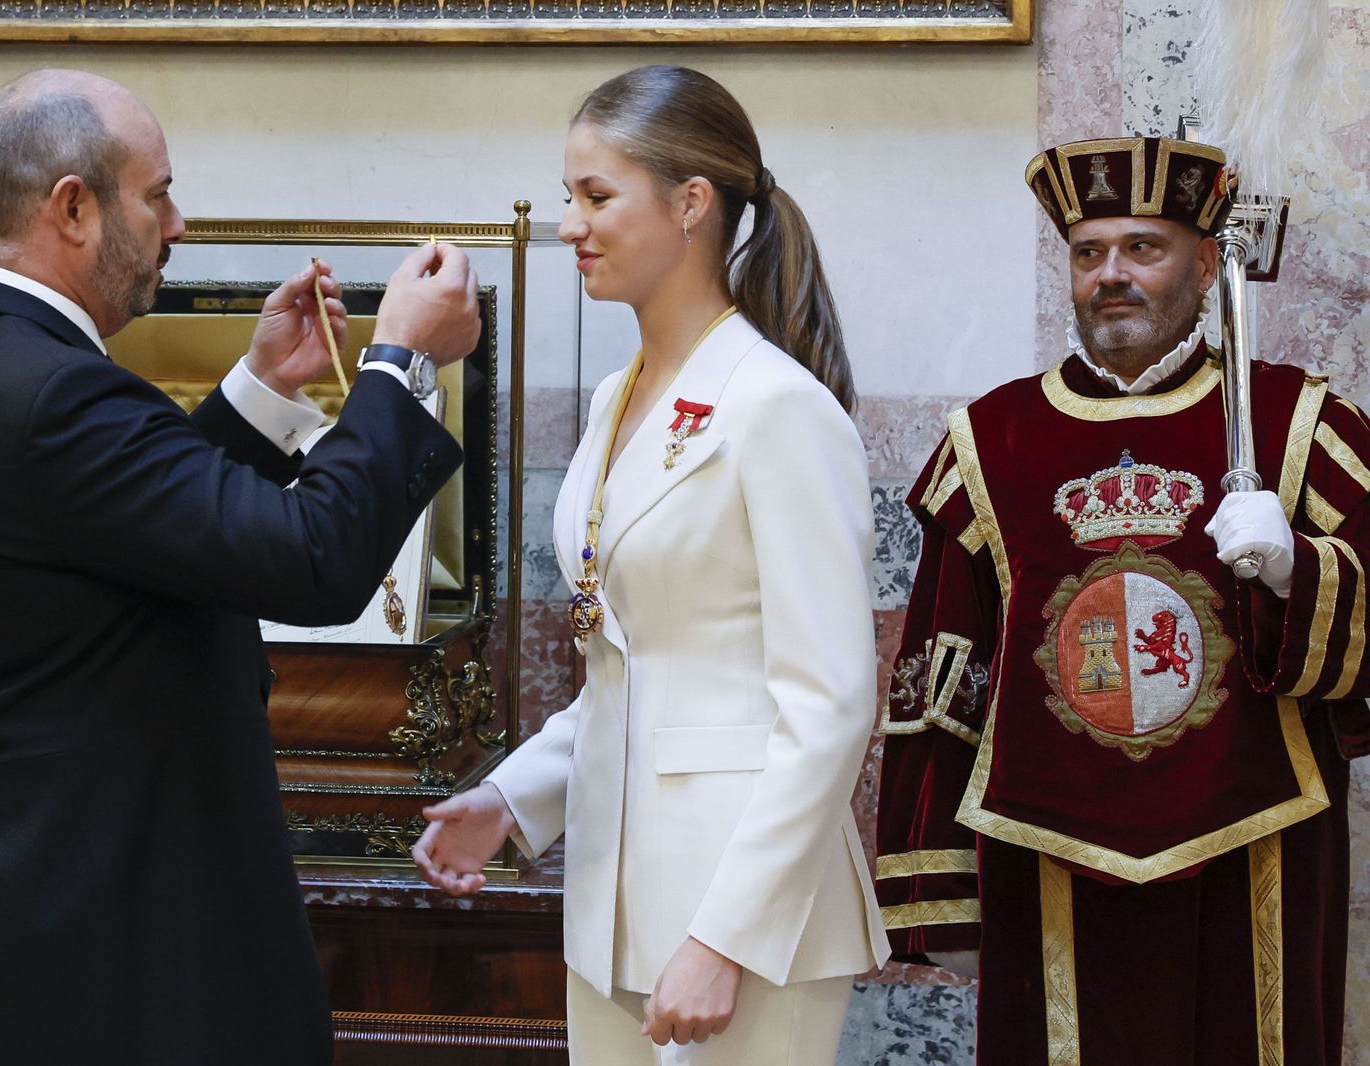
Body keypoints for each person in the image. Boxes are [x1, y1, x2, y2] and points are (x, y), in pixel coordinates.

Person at [0, 68, 480, 1066]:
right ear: (73, 206)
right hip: (99, 947)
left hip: (15, 901)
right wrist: (401, 363)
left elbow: (121, 547)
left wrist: (262, 391)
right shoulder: (52, 392)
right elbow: (312, 561)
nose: (177, 222)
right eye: (157, 194)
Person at [412, 65, 888, 1065]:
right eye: (567, 196)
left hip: (746, 909)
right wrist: (509, 799)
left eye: (595, 196)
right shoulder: (613, 399)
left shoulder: (775, 405)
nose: (567, 224)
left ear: (689, 204)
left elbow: (830, 702)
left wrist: (724, 936)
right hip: (614, 895)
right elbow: (629, 663)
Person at [875, 135, 1370, 1065]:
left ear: (1208, 262)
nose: (1112, 275)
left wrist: (1294, 570)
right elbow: (942, 674)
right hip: (1051, 851)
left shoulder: (1297, 425)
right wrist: (932, 881)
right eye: (1089, 252)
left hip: (1253, 842)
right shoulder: (992, 441)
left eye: (1144, 248)